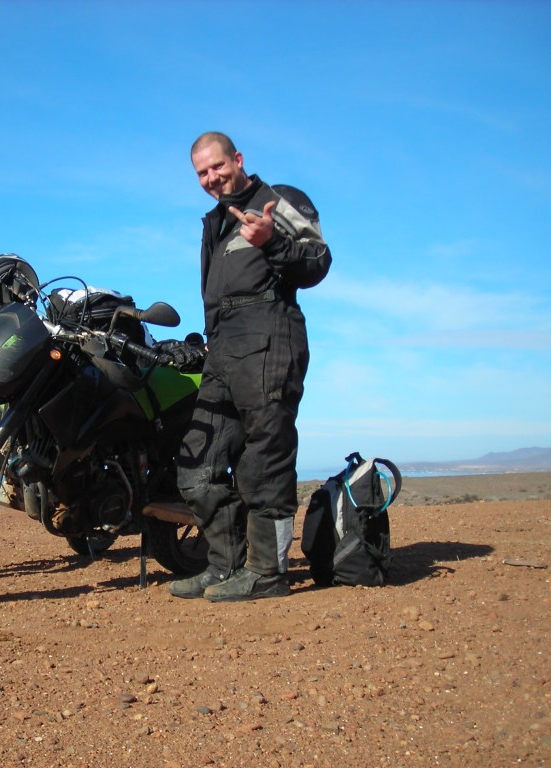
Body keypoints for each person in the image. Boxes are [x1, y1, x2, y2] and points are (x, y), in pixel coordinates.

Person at [168, 131, 331, 602]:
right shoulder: (214, 222)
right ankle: (223, 565)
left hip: (269, 339)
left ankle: (268, 572)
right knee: (198, 462)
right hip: (223, 349)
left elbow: (319, 260)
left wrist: (273, 241)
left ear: (237, 159)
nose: (211, 178)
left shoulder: (277, 201)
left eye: (217, 166)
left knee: (264, 461)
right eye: (201, 172)